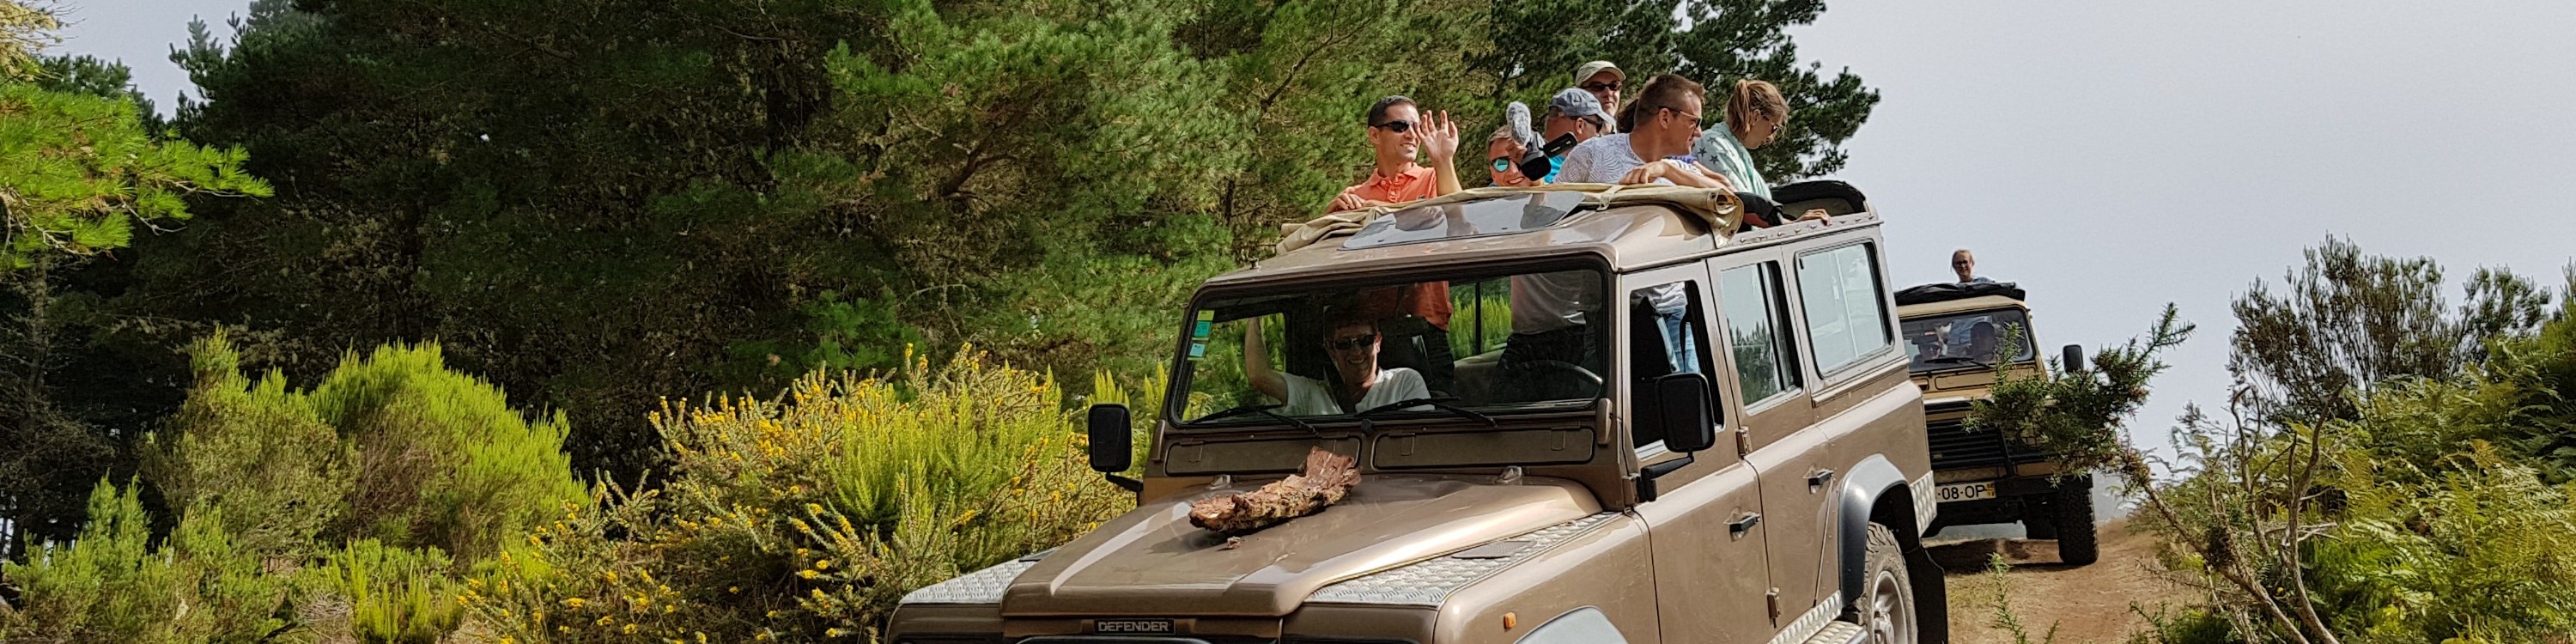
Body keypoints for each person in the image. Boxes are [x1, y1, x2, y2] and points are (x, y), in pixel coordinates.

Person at [1553, 73, 1734, 191]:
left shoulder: (1677, 169)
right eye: (1694, 122)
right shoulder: (1592, 153)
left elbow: (1731, 198)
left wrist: (1666, 169)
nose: (1699, 133)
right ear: (1665, 117)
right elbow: (1550, 209)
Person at [1243, 313, 1430, 416]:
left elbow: (1423, 441)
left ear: (1378, 342)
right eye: (1344, 343)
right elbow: (1259, 375)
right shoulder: (1312, 394)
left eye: (1365, 340)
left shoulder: (1404, 382)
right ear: (1331, 349)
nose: (1356, 352)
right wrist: (1254, 315)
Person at [1329, 95, 1463, 213]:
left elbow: (1458, 222)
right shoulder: (1353, 197)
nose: (1412, 135)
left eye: (1417, 127)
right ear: (1374, 135)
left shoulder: (1437, 178)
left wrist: (1443, 160)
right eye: (1400, 126)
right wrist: (1328, 217)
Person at [1692, 79, 1790, 200]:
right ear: (1756, 116)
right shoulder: (1713, 144)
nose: (1770, 137)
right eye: (1774, 128)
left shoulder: (1729, 149)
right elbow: (1743, 204)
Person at [1489, 101, 1545, 187]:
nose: (1513, 171)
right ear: (1493, 173)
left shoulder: (1561, 195)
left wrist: (1537, 181)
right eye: (1501, 164)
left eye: (1522, 159)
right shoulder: (1486, 200)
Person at [1574, 60, 1625, 132]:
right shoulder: (1568, 138)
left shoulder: (1631, 138)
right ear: (1579, 93)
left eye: (1614, 86)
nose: (1608, 93)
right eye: (1597, 87)